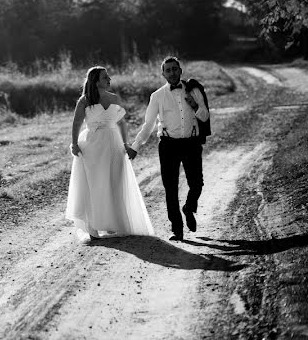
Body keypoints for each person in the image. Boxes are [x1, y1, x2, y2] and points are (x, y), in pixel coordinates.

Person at [65, 66, 155, 239]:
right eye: (105, 77)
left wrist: (126, 144)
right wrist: (74, 144)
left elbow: (121, 123)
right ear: (96, 80)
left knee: (114, 182)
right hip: (92, 146)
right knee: (95, 185)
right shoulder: (84, 100)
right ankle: (93, 228)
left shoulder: (114, 98)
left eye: (108, 77)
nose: (109, 80)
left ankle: (112, 222)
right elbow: (76, 123)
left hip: (114, 144)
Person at [128, 56, 210, 241]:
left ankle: (189, 208)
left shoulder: (194, 90)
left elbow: (204, 117)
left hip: (191, 143)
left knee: (197, 184)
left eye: (175, 69)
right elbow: (148, 125)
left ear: (180, 70)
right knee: (170, 188)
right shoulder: (157, 96)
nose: (172, 73)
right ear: (163, 74)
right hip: (168, 145)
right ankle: (177, 229)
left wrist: (194, 105)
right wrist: (135, 146)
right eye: (168, 70)